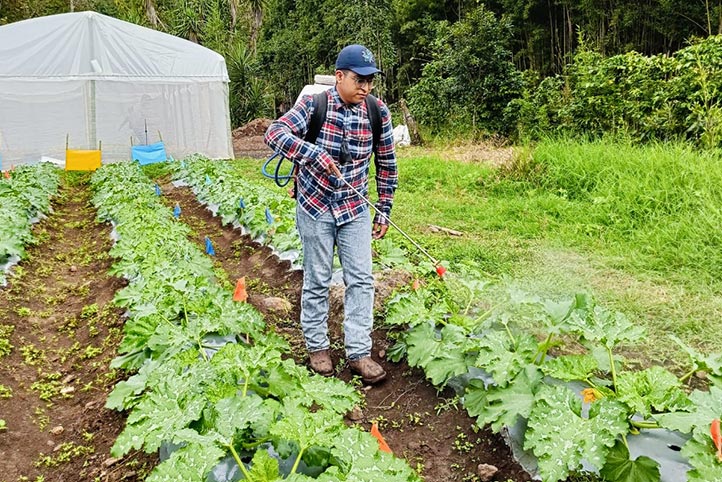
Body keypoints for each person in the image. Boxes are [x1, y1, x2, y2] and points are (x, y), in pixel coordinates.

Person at [264, 44, 397, 384]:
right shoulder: (314, 104)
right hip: (315, 206)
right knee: (318, 278)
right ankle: (317, 347)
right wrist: (311, 153)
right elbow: (274, 133)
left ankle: (358, 352)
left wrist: (383, 208)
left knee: (362, 279)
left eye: (370, 81)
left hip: (354, 208)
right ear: (339, 77)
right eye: (358, 80)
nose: (365, 87)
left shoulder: (377, 112)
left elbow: (386, 163)